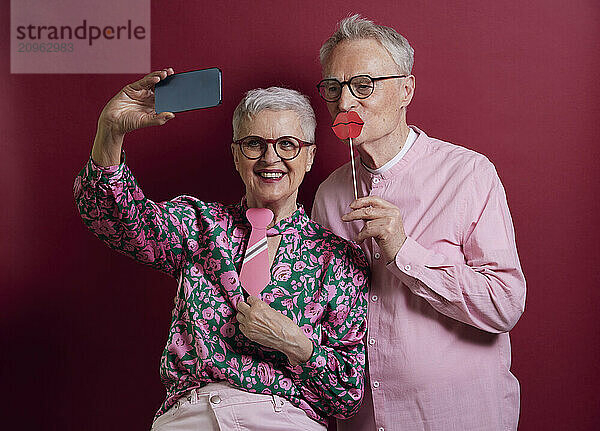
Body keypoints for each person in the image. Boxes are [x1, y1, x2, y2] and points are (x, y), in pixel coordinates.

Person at [73, 69, 369, 430]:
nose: (270, 158)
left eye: (287, 144)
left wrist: (296, 344)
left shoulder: (340, 261)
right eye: (254, 144)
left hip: (283, 418)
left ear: (308, 157)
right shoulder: (197, 224)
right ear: (235, 154)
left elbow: (347, 395)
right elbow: (113, 217)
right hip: (193, 413)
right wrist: (110, 131)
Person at [312, 15, 526, 431]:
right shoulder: (328, 195)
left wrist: (403, 250)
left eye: (363, 86)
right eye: (334, 89)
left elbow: (504, 304)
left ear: (405, 89)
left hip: (461, 419)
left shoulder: (468, 175)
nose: (344, 104)